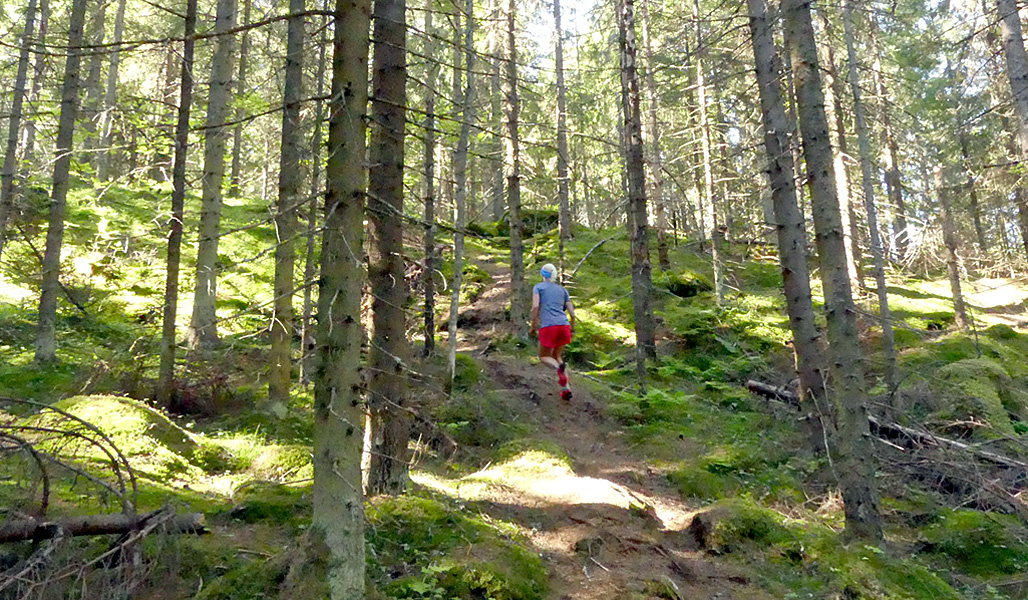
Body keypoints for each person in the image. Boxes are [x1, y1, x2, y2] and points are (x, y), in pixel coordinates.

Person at [530, 263, 576, 401]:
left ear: (542, 275)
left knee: (544, 356)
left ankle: (558, 368)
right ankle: (566, 389)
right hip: (564, 325)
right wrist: (572, 326)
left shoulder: (538, 287)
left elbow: (535, 306)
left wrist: (533, 324)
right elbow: (572, 313)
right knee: (557, 356)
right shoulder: (563, 290)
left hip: (549, 326)